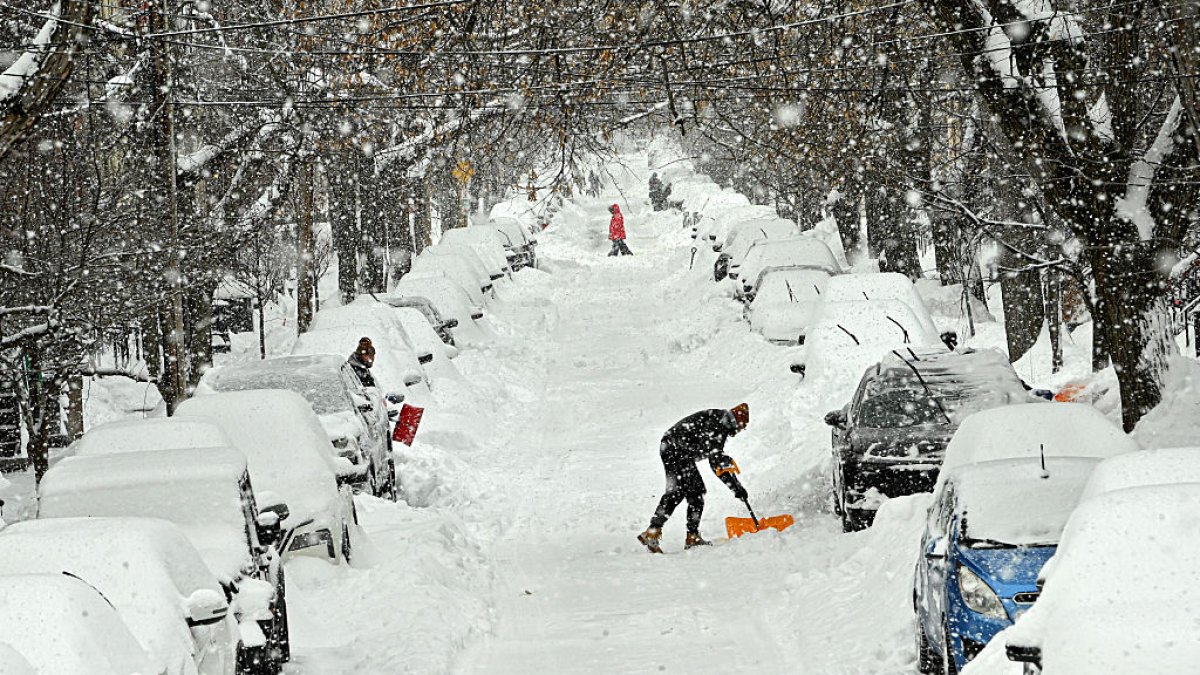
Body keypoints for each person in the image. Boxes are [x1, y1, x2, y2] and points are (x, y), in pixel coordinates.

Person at [637, 403, 751, 553]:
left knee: (678, 492)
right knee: (695, 492)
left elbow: (716, 462)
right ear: (737, 421)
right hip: (676, 449)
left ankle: (654, 532)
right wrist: (736, 487)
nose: (741, 430)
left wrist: (736, 487)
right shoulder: (718, 424)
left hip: (671, 447)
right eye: (743, 426)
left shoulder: (720, 422)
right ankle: (690, 537)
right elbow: (716, 459)